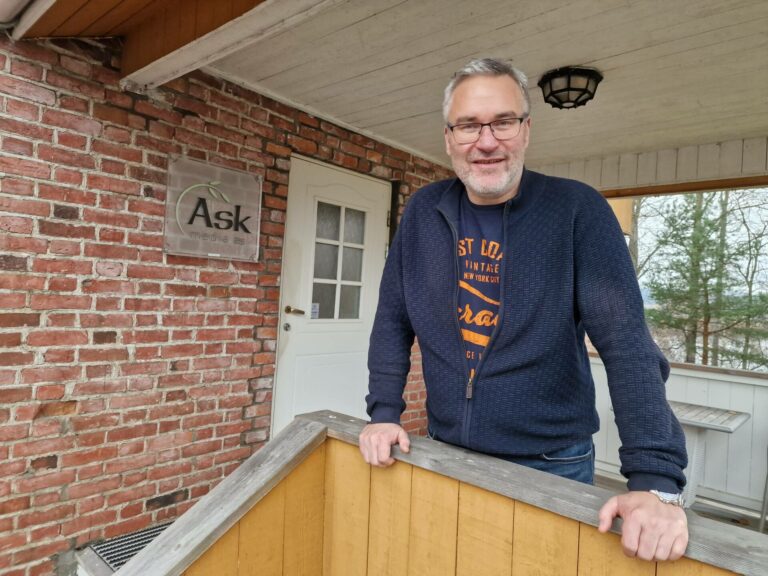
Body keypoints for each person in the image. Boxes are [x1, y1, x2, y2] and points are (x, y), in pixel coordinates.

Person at [359, 58, 689, 562]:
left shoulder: (577, 210)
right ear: (449, 137)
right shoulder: (425, 210)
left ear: (526, 130)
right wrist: (384, 413)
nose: (486, 141)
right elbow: (392, 318)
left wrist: (655, 479)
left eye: (503, 122)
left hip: (550, 460)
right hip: (445, 446)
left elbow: (625, 343)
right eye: (469, 125)